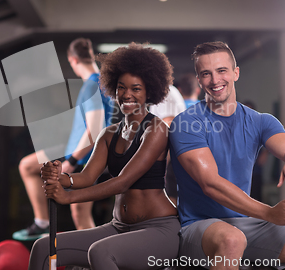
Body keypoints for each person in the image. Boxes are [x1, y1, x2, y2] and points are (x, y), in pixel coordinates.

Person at [169, 41, 285, 269]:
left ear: (236, 73)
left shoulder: (260, 121)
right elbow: (210, 184)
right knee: (232, 240)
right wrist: (270, 213)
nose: (215, 80)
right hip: (200, 226)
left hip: (246, 224)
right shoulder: (186, 123)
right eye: (206, 74)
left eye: (222, 70)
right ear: (199, 79)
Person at [29, 43, 180, 270]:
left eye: (136, 89)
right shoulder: (109, 134)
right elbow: (87, 177)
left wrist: (68, 197)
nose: (127, 94)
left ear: (149, 91)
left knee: (101, 252)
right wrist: (59, 178)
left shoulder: (156, 130)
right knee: (43, 248)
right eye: (121, 87)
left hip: (158, 229)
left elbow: (122, 182)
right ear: (113, 88)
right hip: (119, 226)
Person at [13, 38, 113, 239]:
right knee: (28, 166)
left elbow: (94, 131)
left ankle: (95, 259)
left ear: (73, 60)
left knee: (81, 215)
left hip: (84, 157)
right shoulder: (99, 84)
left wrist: (72, 161)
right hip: (74, 149)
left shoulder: (92, 85)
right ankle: (42, 221)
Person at [148, 85, 186, 206]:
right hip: (170, 158)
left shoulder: (165, 93)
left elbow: (168, 126)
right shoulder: (161, 94)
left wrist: (160, 165)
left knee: (170, 202)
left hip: (171, 158)